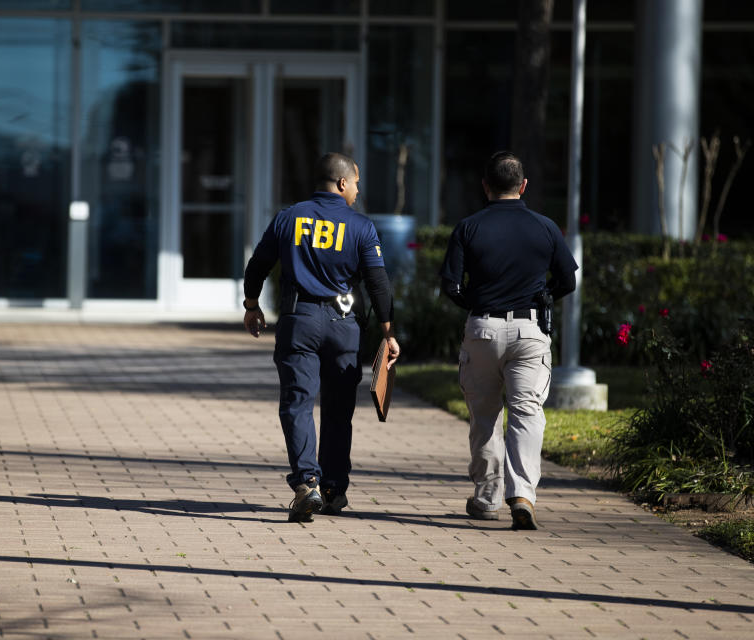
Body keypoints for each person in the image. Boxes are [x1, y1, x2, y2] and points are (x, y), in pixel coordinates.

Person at [242, 152, 400, 523]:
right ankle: (333, 488)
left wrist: (252, 305)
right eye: (356, 183)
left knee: (298, 402)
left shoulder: (288, 217)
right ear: (342, 183)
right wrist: (388, 333)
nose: (358, 191)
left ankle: (306, 482)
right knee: (338, 409)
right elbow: (378, 284)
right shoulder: (361, 227)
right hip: (345, 325)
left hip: (300, 319)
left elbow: (257, 266)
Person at [439, 151, 577, 530]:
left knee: (484, 416)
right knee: (526, 412)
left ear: (485, 186)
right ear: (524, 185)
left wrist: (476, 304)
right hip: (530, 330)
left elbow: (450, 285)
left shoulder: (468, 226)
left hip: (483, 328)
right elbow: (568, 280)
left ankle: (487, 497)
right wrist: (544, 296)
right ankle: (523, 496)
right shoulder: (546, 226)